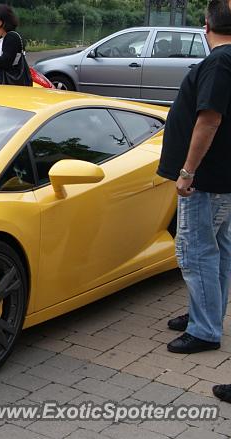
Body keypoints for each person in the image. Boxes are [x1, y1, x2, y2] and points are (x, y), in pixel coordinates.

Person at [158, 0, 231, 360]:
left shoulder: (219, 61)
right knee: (216, 250)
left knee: (196, 253)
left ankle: (204, 330)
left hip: (206, 180)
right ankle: (206, 314)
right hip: (222, 177)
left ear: (206, 25)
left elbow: (209, 119)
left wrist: (187, 171)